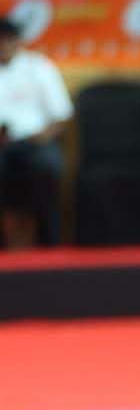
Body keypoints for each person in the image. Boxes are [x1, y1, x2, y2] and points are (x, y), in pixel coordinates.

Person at [0, 16, 73, 248]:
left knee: (48, 166)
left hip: (37, 140)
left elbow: (62, 116)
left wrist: (44, 136)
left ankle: (50, 241)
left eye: (8, 40)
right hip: (3, 143)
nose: (3, 46)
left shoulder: (38, 67)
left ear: (18, 41)